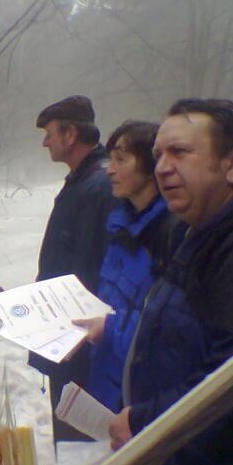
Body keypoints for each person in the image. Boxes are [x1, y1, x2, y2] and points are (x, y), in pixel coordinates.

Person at [109, 99, 233, 465]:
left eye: (179, 152)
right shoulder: (190, 231)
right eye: (158, 155)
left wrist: (145, 423)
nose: (162, 167)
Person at [72, 121, 178, 413]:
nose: (110, 169)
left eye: (121, 160)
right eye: (111, 159)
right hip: (106, 382)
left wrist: (108, 328)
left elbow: (167, 333)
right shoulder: (121, 226)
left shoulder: (170, 234)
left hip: (142, 397)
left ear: (151, 166)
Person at [29, 95, 116, 440]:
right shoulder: (83, 180)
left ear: (70, 134)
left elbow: (93, 269)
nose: (44, 142)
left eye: (49, 133)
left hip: (79, 338)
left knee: (80, 438)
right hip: (65, 329)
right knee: (67, 426)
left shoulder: (98, 187)